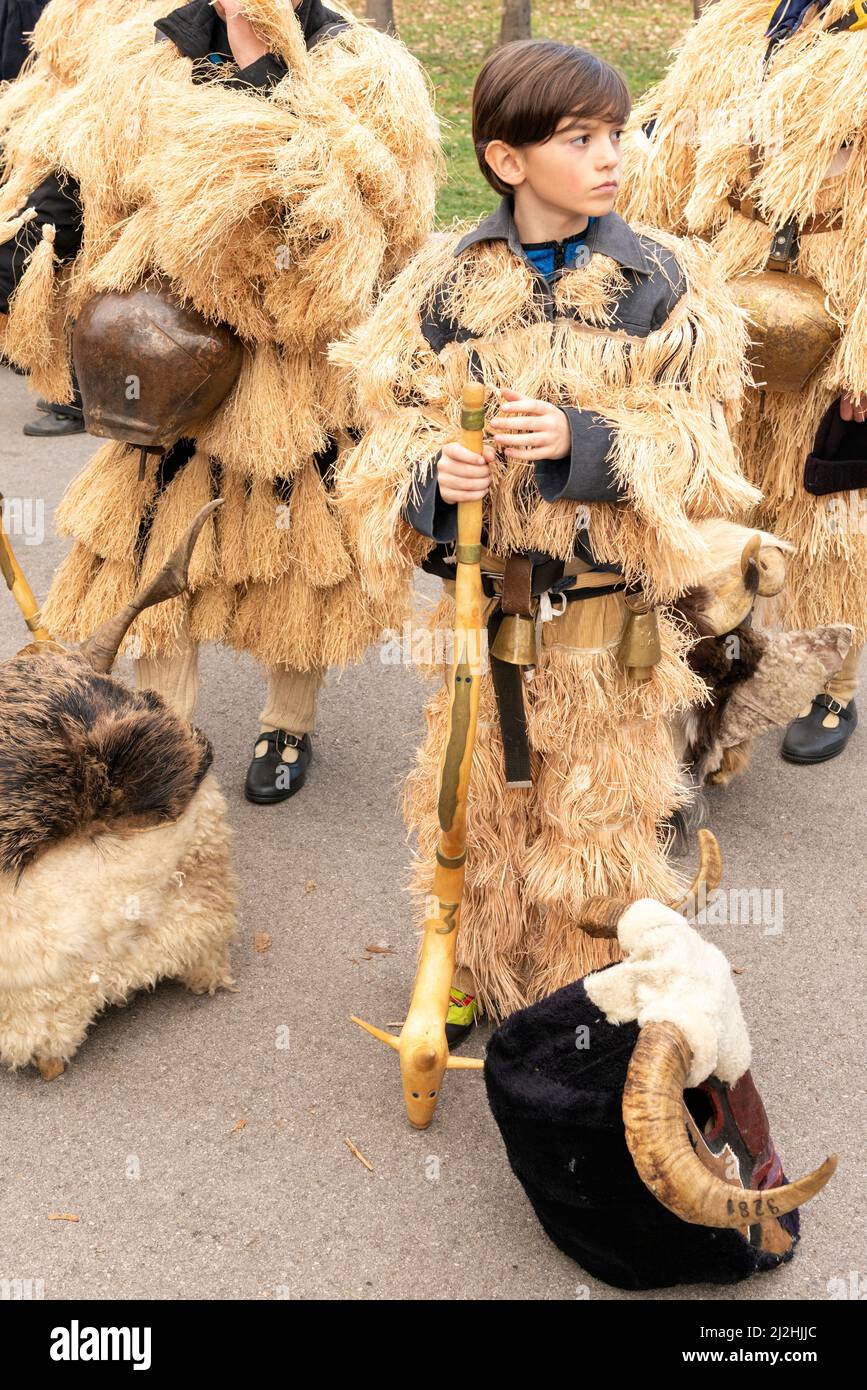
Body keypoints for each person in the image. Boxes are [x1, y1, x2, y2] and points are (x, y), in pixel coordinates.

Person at [334, 39, 759, 1037]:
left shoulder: (660, 280)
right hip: (482, 614)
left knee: (598, 817)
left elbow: (705, 447)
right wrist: (436, 479)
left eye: (614, 133)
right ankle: (473, 961)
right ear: (507, 159)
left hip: (609, 624)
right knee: (476, 804)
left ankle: (586, 985)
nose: (611, 154)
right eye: (580, 138)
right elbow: (382, 432)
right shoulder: (442, 284)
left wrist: (587, 440)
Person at [0, 0, 439, 801]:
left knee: (301, 554)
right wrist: (34, 252)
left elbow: (392, 221)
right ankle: (166, 723)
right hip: (161, 352)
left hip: (295, 365)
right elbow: (83, 178)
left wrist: (275, 81)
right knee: (145, 543)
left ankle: (287, 724)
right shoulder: (147, 52)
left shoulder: (363, 67)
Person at [619, 0, 867, 764]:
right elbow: (669, 147)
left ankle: (832, 677)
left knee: (826, 504)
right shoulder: (740, 23)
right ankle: (731, 655)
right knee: (729, 489)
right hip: (730, 283)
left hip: (840, 283)